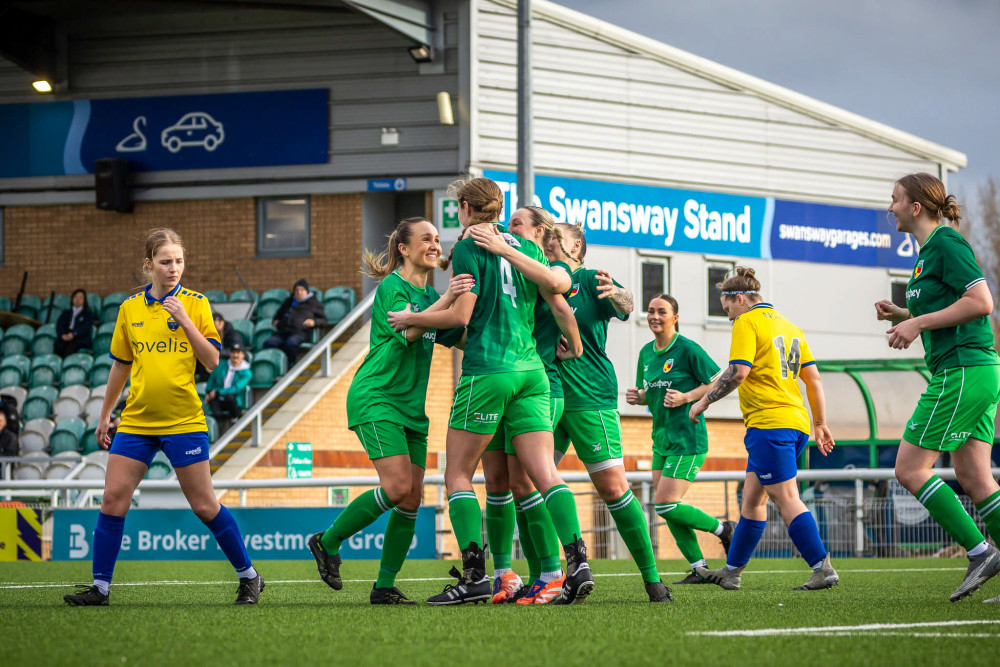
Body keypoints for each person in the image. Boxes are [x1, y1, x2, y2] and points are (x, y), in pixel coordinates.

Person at [387, 177, 595, 606]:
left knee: (458, 475)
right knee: (543, 474)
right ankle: (575, 561)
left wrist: (413, 319)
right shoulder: (530, 249)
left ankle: (475, 576)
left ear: (465, 207)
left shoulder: (468, 246)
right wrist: (575, 345)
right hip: (533, 373)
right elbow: (558, 299)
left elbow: (462, 316)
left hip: (488, 371)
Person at [63, 228, 263, 607]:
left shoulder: (197, 304)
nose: (174, 268)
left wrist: (185, 320)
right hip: (136, 421)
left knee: (204, 505)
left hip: (184, 421)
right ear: (148, 265)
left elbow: (212, 360)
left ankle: (249, 577)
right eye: (166, 261)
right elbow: (120, 367)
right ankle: (100, 589)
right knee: (112, 500)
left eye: (179, 261)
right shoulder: (129, 309)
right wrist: (105, 415)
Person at [307, 217, 471, 605]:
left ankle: (383, 586)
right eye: (426, 239)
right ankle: (326, 541)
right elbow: (409, 330)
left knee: (412, 499)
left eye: (436, 239)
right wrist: (448, 298)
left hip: (412, 408)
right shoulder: (392, 288)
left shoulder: (430, 299)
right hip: (377, 398)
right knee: (398, 488)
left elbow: (462, 336)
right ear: (404, 248)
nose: (434, 245)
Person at [876, 172, 1000, 603]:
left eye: (894, 200)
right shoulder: (925, 254)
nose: (888, 207)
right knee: (975, 476)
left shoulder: (946, 243)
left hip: (962, 371)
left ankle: (981, 551)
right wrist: (901, 313)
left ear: (915, 207)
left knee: (909, 469)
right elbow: (946, 304)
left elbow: (982, 302)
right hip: (973, 371)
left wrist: (916, 321)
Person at [543, 221, 672, 603]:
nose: (549, 243)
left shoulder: (589, 279)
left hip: (589, 398)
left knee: (614, 489)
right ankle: (556, 576)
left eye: (557, 238)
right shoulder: (537, 280)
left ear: (577, 245)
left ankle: (653, 581)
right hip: (543, 394)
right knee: (530, 484)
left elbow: (626, 304)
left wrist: (622, 295)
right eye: (545, 237)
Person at [688, 267, 838, 591]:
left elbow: (738, 372)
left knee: (786, 499)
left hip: (769, 426)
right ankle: (731, 571)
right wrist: (820, 423)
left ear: (739, 299)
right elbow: (813, 379)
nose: (729, 318)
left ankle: (821, 567)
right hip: (794, 424)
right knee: (753, 502)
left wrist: (704, 402)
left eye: (728, 310)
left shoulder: (747, 321)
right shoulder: (791, 327)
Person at [465, 206, 582, 604]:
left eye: (517, 223)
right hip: (507, 378)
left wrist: (575, 349)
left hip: (540, 384)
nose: (508, 228)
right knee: (502, 481)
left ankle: (555, 570)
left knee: (530, 480)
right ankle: (511, 574)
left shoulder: (547, 265)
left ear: (538, 232)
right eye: (507, 222)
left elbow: (562, 298)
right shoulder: (508, 266)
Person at [625, 294, 735, 584]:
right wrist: (639, 398)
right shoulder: (646, 353)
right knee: (668, 509)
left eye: (662, 312)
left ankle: (724, 529)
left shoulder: (687, 349)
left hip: (688, 439)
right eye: (650, 311)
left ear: (675, 318)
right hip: (661, 440)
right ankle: (700, 569)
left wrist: (687, 397)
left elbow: (717, 380)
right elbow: (651, 393)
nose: (655, 316)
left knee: (665, 504)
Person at [263, 279, 326, 364]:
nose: (299, 292)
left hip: (301, 333)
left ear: (307, 291)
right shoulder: (288, 302)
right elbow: (278, 314)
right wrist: (276, 320)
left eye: (302, 290)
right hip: (283, 332)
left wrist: (314, 322)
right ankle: (276, 365)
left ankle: (291, 365)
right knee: (269, 343)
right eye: (296, 290)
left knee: (291, 343)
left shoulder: (314, 303)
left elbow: (323, 320)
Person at [204, 343, 252, 431]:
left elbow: (236, 388)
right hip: (218, 397)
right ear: (230, 354)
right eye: (233, 353)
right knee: (213, 405)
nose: (235, 355)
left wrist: (218, 392)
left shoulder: (246, 372)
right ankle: (216, 429)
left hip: (233, 400)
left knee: (229, 398)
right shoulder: (222, 365)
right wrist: (208, 391)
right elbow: (212, 378)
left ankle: (235, 421)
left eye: (238, 353)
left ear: (242, 355)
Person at [54, 289, 94, 357]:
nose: (78, 299)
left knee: (69, 350)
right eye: (76, 297)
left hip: (80, 339)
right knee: (58, 347)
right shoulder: (66, 313)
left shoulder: (88, 314)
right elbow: (59, 325)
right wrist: (62, 335)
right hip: (66, 337)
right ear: (72, 298)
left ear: (84, 300)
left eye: (80, 297)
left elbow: (85, 328)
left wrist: (74, 334)